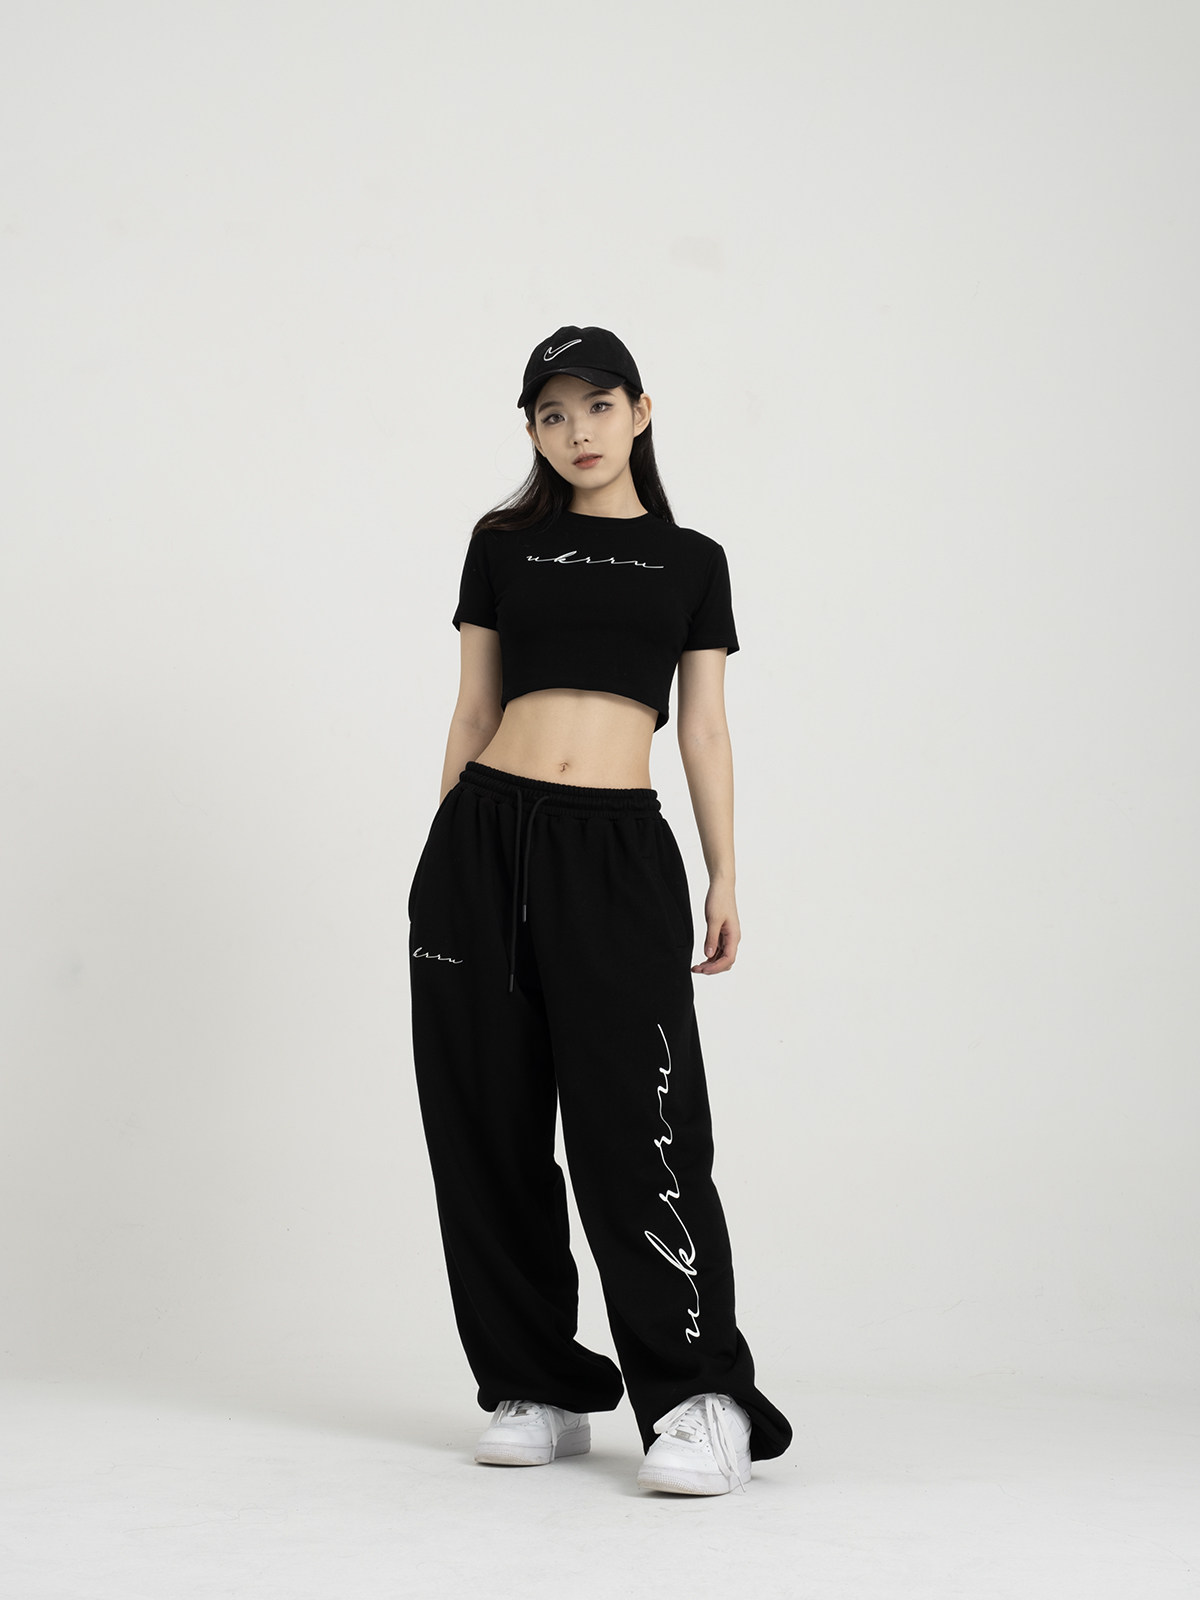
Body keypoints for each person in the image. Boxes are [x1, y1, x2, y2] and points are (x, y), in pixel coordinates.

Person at [406, 324, 792, 1496]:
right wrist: (442, 861)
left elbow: (705, 727)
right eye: (552, 413)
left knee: (643, 1124)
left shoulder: (691, 560)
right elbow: (473, 710)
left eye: (597, 405)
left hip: (617, 851)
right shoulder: (501, 546)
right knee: (486, 1121)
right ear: (532, 428)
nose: (577, 430)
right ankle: (536, 1382)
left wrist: (725, 872)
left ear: (641, 411)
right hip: (485, 837)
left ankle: (700, 1397)